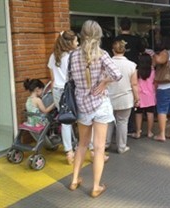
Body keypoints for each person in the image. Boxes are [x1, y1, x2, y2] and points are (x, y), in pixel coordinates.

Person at [69, 20, 122, 198]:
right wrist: (104, 81)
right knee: (99, 148)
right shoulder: (102, 54)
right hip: (100, 104)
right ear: (98, 35)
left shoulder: (73, 55)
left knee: (82, 145)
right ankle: (96, 186)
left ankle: (75, 179)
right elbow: (117, 74)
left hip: (82, 105)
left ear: (82, 35)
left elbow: (72, 78)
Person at [48, 30, 78, 165]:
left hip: (57, 91)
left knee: (65, 121)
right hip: (70, 91)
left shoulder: (53, 57)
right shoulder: (72, 57)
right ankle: (90, 147)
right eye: (76, 41)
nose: (77, 43)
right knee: (82, 118)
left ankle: (69, 151)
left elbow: (52, 79)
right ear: (70, 42)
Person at [106, 40, 139, 154]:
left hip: (108, 98)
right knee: (122, 122)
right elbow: (134, 84)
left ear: (113, 50)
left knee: (108, 121)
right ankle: (121, 146)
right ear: (124, 51)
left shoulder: (107, 64)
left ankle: (106, 143)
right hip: (125, 98)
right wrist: (137, 98)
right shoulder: (131, 65)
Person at [114, 17, 144, 135]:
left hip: (117, 70)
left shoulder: (116, 39)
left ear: (120, 26)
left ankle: (115, 127)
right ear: (130, 26)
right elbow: (142, 50)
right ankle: (129, 127)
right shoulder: (136, 39)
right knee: (130, 97)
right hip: (132, 70)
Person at [132, 53, 156, 139]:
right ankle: (149, 132)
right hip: (150, 95)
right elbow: (155, 83)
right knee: (150, 113)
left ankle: (138, 132)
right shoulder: (153, 71)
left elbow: (134, 83)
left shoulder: (137, 72)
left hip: (139, 96)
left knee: (138, 113)